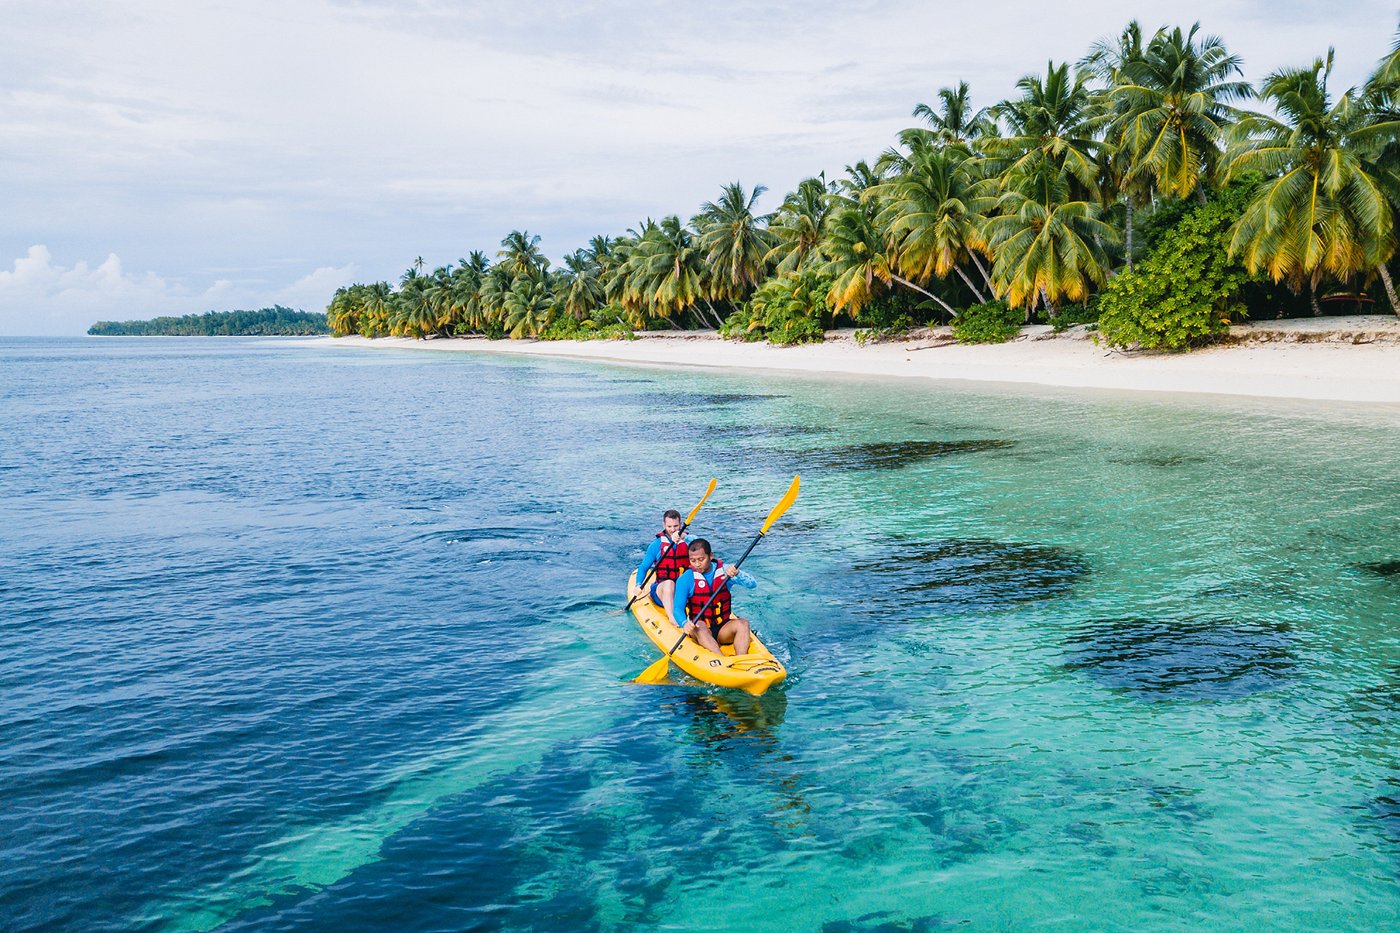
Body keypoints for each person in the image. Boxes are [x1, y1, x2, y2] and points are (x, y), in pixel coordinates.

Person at [671, 538, 757, 655]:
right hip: (700, 630)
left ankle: (742, 660)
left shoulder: (725, 571)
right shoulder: (686, 579)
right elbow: (677, 609)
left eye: (701, 559)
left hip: (723, 628)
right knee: (700, 626)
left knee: (743, 623)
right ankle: (721, 661)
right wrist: (684, 623)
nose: (697, 564)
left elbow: (752, 584)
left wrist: (738, 573)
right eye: (693, 560)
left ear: (710, 556)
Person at [633, 509, 689, 621]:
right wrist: (638, 584)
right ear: (664, 525)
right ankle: (672, 618)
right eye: (669, 526)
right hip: (661, 590)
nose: (673, 530)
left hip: (682, 592)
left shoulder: (689, 542)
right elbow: (643, 568)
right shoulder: (656, 545)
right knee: (669, 583)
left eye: (676, 526)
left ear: (681, 524)